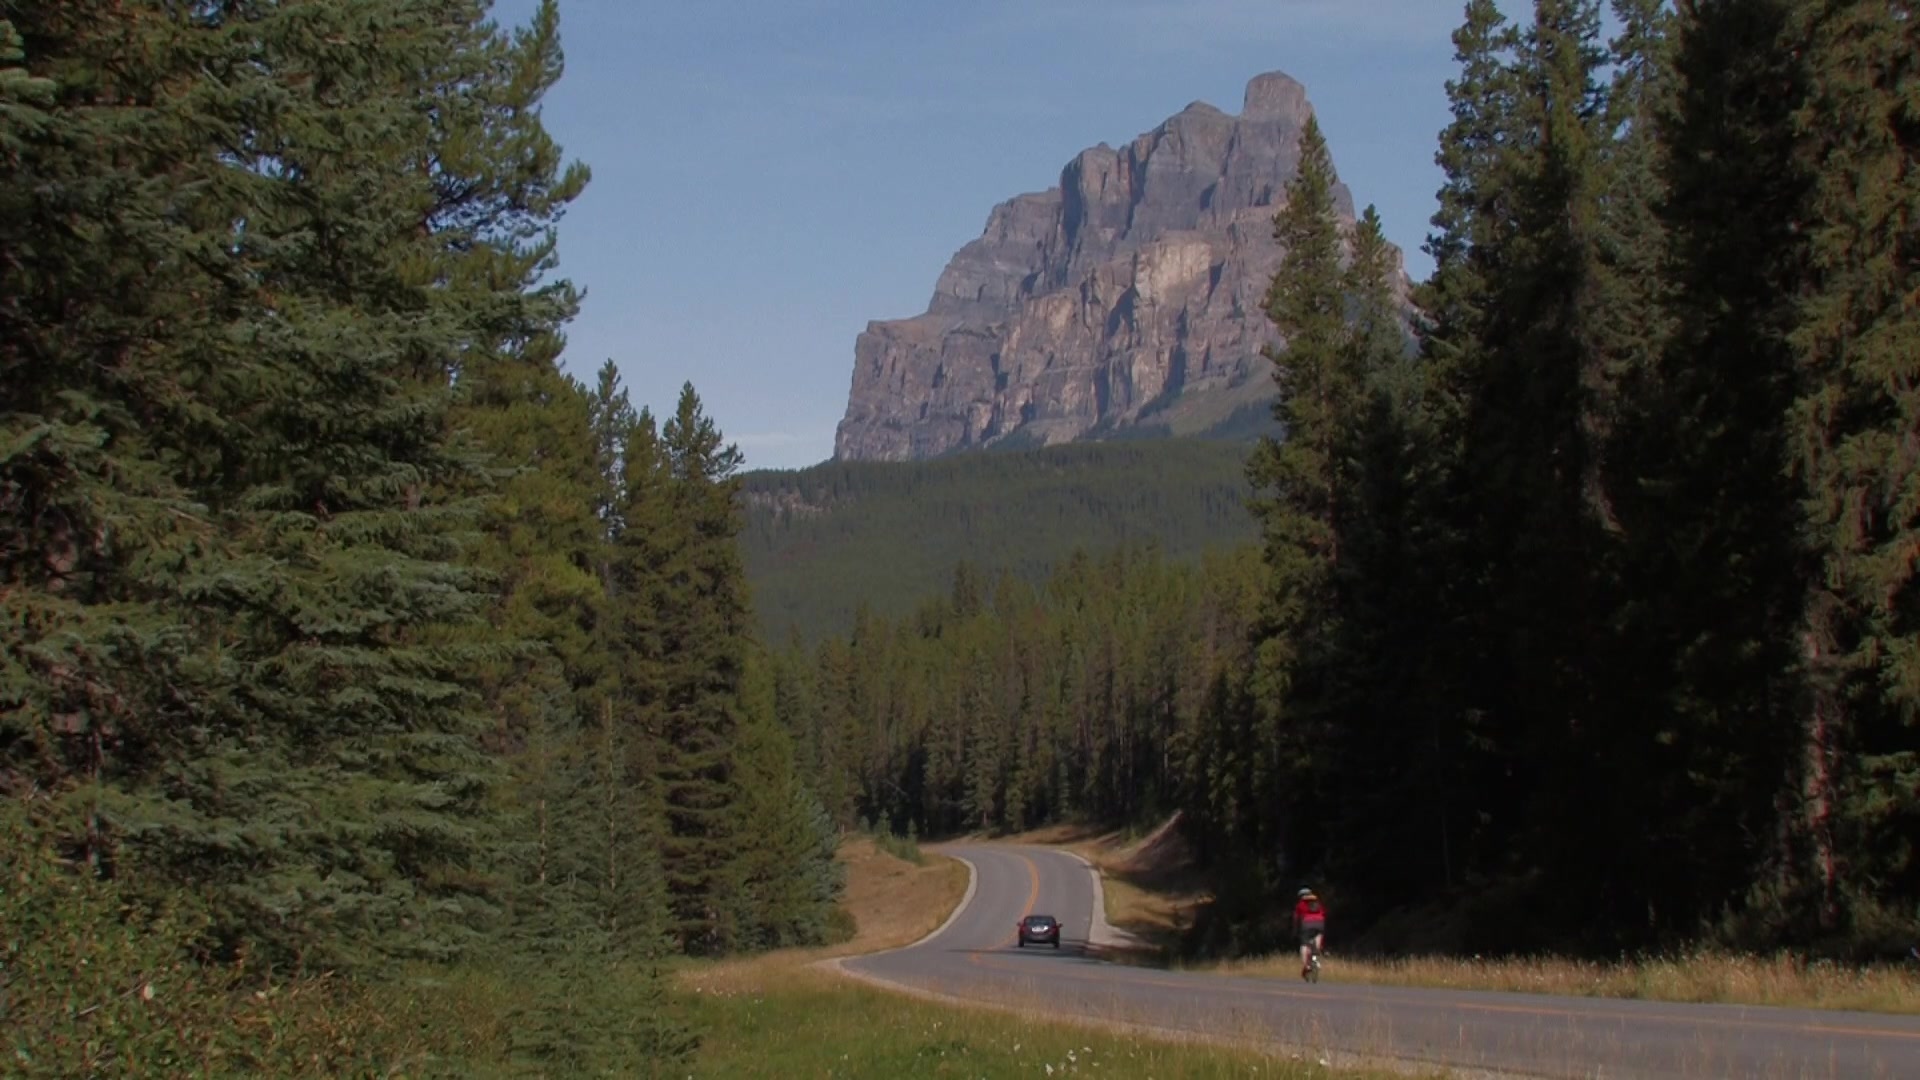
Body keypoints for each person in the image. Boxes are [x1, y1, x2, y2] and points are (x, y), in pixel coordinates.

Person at [1292, 887, 1326, 980]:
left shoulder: (1300, 904)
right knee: (1316, 943)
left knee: (1304, 945)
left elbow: (1296, 919)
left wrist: (1295, 931)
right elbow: (1323, 914)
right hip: (1320, 923)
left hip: (1307, 924)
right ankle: (1315, 960)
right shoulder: (1318, 903)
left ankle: (1306, 966)